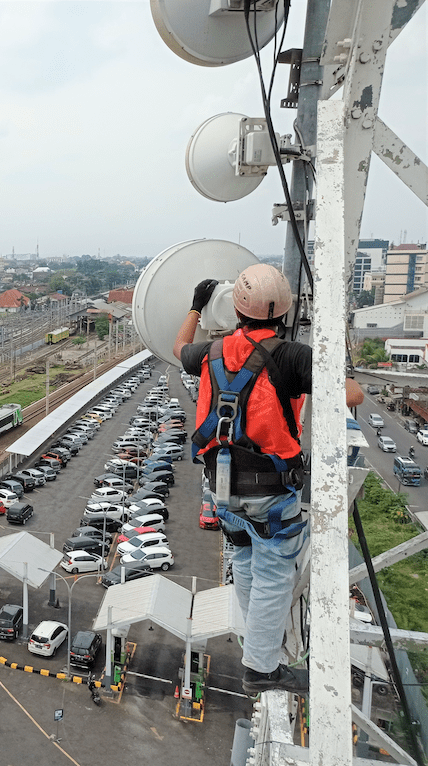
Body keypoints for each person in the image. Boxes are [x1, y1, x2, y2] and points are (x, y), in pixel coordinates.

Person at [173, 264, 364, 696]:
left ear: (235, 309)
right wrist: (332, 366)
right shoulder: (292, 356)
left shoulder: (211, 352)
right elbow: (352, 395)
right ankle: (261, 668)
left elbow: (178, 346)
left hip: (222, 491)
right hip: (271, 495)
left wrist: (195, 305)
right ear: (284, 313)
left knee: (243, 563)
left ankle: (254, 642)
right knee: (275, 575)